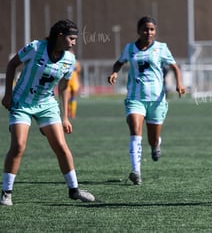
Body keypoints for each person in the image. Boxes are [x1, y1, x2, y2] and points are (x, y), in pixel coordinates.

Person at [1, 19, 95, 206]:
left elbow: (64, 87)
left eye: (75, 39)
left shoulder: (69, 59)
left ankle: (74, 190)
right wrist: (8, 94)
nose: (74, 43)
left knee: (61, 146)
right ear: (60, 36)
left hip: (47, 105)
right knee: (19, 145)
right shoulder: (36, 47)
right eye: (71, 38)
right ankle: (6, 193)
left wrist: (65, 116)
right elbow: (12, 65)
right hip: (22, 103)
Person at [108, 16, 185, 185]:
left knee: (152, 138)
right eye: (145, 29)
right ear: (138, 31)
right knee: (135, 130)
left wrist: (179, 84)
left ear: (155, 31)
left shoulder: (161, 48)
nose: (148, 32)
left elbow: (175, 67)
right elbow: (118, 63)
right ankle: (136, 171)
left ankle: (156, 145)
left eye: (151, 29)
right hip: (135, 98)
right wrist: (114, 72)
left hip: (156, 99)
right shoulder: (129, 49)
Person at [67, 50, 81, 119]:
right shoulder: (65, 62)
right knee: (67, 98)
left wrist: (78, 82)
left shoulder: (76, 63)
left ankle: (73, 113)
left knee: (73, 98)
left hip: (74, 81)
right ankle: (68, 111)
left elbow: (78, 73)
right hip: (67, 81)